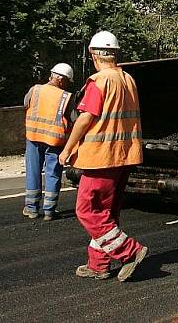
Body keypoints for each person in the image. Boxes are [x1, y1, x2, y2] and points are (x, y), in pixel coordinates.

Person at [59, 31, 148, 281]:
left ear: (92, 54)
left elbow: (86, 117)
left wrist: (67, 149)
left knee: (87, 210)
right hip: (124, 155)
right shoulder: (127, 79)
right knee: (105, 213)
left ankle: (130, 251)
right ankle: (98, 264)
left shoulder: (98, 81)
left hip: (101, 157)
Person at [22, 63, 74, 220]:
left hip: (33, 138)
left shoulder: (35, 90)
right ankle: (50, 210)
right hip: (55, 140)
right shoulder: (66, 97)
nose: (67, 84)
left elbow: (26, 104)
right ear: (60, 79)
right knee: (53, 173)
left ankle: (31, 209)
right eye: (67, 81)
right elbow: (73, 119)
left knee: (33, 171)